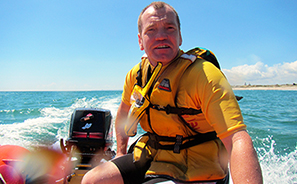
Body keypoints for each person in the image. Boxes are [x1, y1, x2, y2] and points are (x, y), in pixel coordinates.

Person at [82, 2, 263, 184]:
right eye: (151, 30)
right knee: (91, 180)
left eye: (169, 28)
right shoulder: (135, 75)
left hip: (198, 161)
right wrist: (121, 152)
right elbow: (123, 112)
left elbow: (237, 139)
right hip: (153, 153)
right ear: (140, 41)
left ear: (180, 37)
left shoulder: (204, 75)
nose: (161, 36)